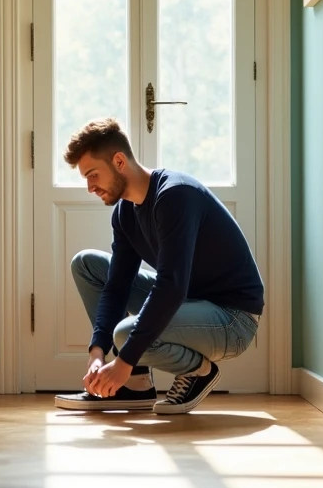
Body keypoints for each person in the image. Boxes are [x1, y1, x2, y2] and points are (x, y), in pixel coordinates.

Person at [54, 118, 264, 414]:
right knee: (87, 264)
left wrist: (123, 361)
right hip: (189, 299)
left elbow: (171, 285)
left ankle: (199, 371)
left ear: (118, 161)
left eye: (93, 175)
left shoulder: (175, 195)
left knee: (126, 335)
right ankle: (135, 386)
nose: (90, 187)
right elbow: (116, 287)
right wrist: (98, 353)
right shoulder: (125, 213)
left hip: (232, 318)